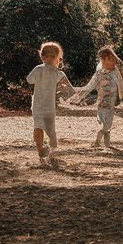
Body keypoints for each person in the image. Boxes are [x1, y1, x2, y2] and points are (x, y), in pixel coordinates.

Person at [68, 45, 123, 150]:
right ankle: (97, 142)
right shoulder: (99, 73)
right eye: (113, 60)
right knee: (102, 123)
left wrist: (122, 98)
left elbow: (120, 81)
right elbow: (89, 87)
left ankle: (106, 144)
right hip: (102, 102)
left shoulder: (115, 70)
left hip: (111, 103)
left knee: (109, 124)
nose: (115, 63)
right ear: (105, 60)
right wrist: (77, 97)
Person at [26, 40, 74, 168]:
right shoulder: (59, 74)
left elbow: (29, 80)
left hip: (38, 106)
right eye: (48, 56)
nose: (48, 58)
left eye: (49, 56)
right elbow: (68, 92)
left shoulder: (38, 69)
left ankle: (41, 149)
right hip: (48, 107)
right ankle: (51, 154)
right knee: (50, 131)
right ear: (58, 58)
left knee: (39, 126)